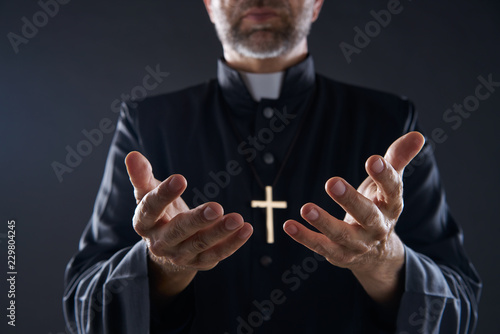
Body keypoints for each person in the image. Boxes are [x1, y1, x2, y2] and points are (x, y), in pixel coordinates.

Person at [63, 0, 481, 333]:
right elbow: (85, 308)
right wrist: (160, 266)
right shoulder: (147, 122)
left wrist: (384, 261)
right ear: (209, 4)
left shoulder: (389, 121)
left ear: (316, 4)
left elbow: (460, 305)